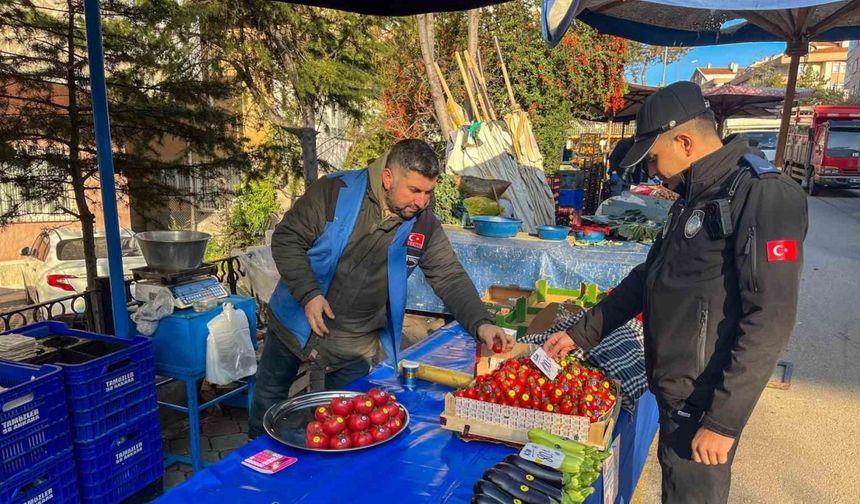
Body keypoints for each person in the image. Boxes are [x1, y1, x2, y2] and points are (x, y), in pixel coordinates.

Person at [544, 81, 807, 504]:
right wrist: (582, 333)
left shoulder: (762, 193)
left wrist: (723, 420)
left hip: (705, 399)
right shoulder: (696, 193)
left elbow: (770, 318)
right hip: (676, 389)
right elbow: (648, 277)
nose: (652, 171)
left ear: (684, 141)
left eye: (654, 158)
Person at [249, 139, 514, 438]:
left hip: (354, 346)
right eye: (414, 190)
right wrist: (309, 294)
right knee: (266, 412)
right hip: (293, 326)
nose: (422, 201)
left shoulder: (423, 225)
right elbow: (287, 239)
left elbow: (449, 276)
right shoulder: (335, 192)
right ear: (388, 177)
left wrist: (481, 323)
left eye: (428, 192)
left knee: (345, 432)